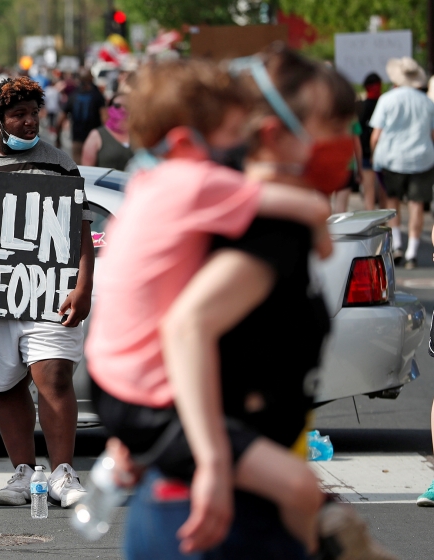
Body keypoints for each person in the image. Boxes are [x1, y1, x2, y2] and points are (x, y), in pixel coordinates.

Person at [95, 50, 390, 558]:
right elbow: (188, 326)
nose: (347, 142)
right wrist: (201, 453)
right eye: (333, 126)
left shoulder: (187, 198)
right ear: (271, 131)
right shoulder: (250, 217)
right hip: (219, 513)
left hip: (186, 482)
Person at [0, 76, 93, 509]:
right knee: (5, 385)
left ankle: (63, 473)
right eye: (18, 115)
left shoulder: (61, 163)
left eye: (34, 114)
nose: (30, 123)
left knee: (54, 377)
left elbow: (81, 233)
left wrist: (83, 286)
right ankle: (24, 474)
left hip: (50, 293)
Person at [370, 56, 434, 269]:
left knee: (392, 201)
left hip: (392, 158)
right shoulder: (427, 102)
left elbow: (376, 135)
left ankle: (397, 243)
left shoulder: (387, 99)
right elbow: (432, 134)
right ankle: (412, 252)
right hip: (421, 158)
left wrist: (373, 154)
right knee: (416, 205)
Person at [58, 71, 105, 164]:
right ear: (91, 79)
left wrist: (58, 136)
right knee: (93, 166)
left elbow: (61, 118)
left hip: (77, 136)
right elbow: (105, 117)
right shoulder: (97, 95)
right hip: (94, 136)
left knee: (78, 166)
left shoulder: (73, 95)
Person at [80, 92, 133, 170]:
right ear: (110, 107)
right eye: (117, 106)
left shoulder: (139, 134)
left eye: (127, 106)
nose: (122, 109)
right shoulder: (97, 135)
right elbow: (87, 171)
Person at [359, 73, 385, 210]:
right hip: (372, 153)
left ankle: (378, 220)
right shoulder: (381, 103)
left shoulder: (383, 103)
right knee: (375, 190)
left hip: (374, 153)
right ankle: (375, 220)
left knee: (374, 190)